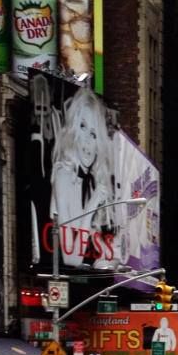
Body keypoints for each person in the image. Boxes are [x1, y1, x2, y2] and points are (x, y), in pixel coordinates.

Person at [51, 86, 113, 269]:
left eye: (93, 134)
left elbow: (103, 255)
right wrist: (92, 205)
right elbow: (71, 259)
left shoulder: (92, 181)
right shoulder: (63, 175)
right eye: (82, 126)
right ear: (72, 132)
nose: (87, 140)